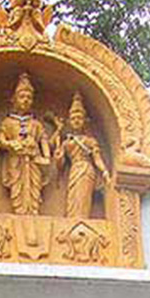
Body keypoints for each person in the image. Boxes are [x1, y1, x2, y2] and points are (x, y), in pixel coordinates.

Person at [0, 73, 52, 215]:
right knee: (17, 188)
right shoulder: (8, 122)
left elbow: (43, 139)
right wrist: (10, 144)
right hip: (15, 160)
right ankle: (19, 211)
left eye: (29, 98)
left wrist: (47, 158)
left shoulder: (36, 124)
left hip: (33, 160)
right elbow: (0, 140)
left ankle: (33, 211)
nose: (25, 100)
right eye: (22, 97)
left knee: (34, 189)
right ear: (14, 100)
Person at [54, 92, 111, 220]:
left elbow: (97, 159)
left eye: (79, 118)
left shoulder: (90, 141)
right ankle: (74, 222)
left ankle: (82, 222)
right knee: (73, 200)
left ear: (85, 121)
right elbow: (60, 165)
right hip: (74, 170)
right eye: (73, 119)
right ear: (69, 121)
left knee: (83, 198)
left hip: (86, 170)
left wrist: (105, 171)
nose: (76, 121)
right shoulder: (67, 142)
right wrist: (58, 157)